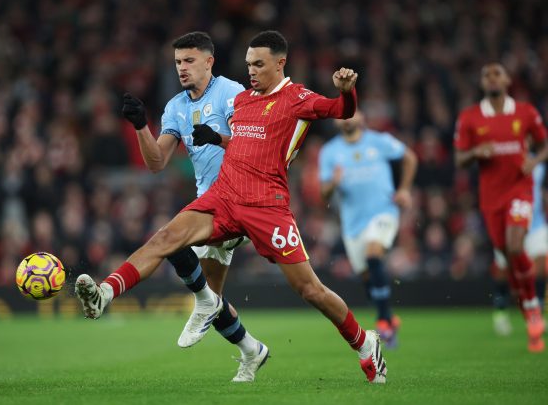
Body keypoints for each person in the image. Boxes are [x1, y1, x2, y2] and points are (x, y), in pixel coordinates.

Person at [76, 30, 388, 384]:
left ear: (279, 63)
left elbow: (341, 110)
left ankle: (364, 342)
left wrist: (347, 90)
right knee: (165, 239)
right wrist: (218, 138)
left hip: (266, 204)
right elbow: (245, 141)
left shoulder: (296, 97)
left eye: (258, 64)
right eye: (248, 64)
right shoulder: (244, 101)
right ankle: (104, 294)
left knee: (310, 290)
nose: (251, 71)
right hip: (223, 195)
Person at [118, 31, 265, 382]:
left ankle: (111, 288)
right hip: (207, 205)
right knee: (210, 298)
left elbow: (256, 146)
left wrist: (218, 138)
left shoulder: (232, 94)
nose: (182, 69)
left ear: (209, 61)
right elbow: (156, 163)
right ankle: (251, 350)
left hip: (241, 200)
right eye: (178, 63)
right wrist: (141, 126)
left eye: (189, 61)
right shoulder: (175, 107)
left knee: (174, 244)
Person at [454, 62, 548, 352]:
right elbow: (459, 160)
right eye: (487, 74)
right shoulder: (470, 117)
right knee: (507, 254)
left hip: (520, 190)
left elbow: (544, 144)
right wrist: (475, 153)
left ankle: (531, 306)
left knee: (516, 244)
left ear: (507, 79)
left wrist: (533, 161)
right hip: (491, 198)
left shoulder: (525, 112)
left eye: (497, 73)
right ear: (483, 83)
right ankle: (526, 303)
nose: (492, 78)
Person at [318, 110, 417, 348]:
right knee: (367, 277)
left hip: (384, 211)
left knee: (374, 254)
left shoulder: (379, 141)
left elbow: (410, 158)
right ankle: (390, 316)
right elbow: (324, 193)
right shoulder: (329, 152)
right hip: (353, 224)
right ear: (335, 121)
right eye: (342, 116)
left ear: (362, 117)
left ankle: (383, 322)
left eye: (351, 114)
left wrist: (404, 189)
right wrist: (334, 182)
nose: (347, 119)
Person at [492, 161, 548, 336]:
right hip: (509, 225)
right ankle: (500, 313)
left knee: (540, 267)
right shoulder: (505, 162)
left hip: (535, 224)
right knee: (503, 270)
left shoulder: (540, 166)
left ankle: (536, 314)